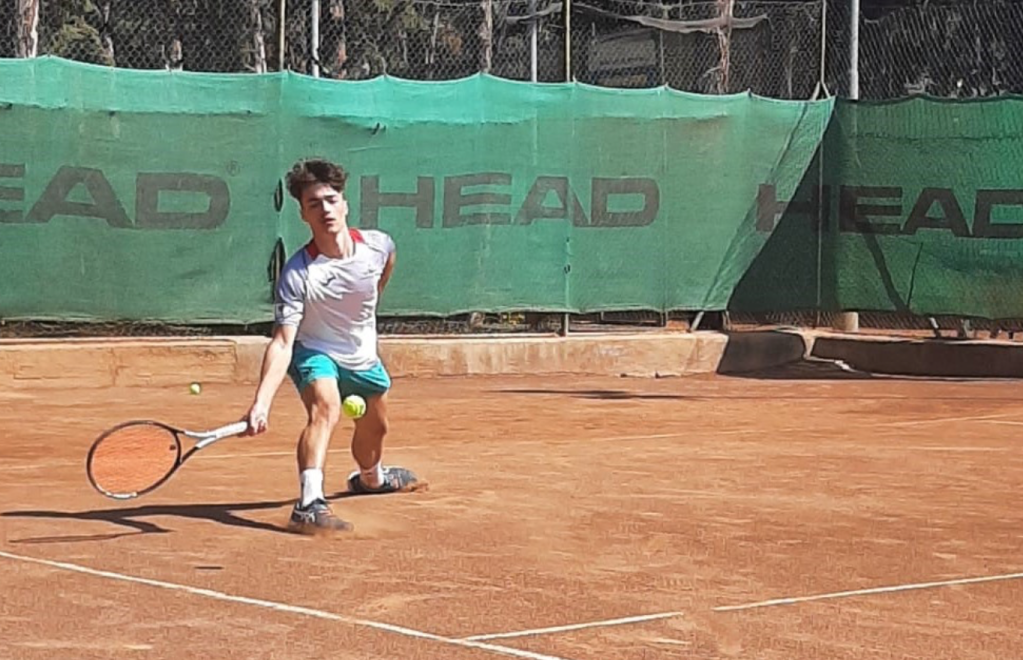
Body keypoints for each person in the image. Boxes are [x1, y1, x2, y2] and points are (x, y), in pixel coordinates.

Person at [243, 158, 421, 534]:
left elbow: (383, 270)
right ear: (303, 215)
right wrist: (261, 402)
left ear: (344, 204)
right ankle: (309, 502)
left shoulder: (378, 245)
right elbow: (282, 341)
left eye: (330, 199)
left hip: (362, 356)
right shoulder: (298, 274)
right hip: (314, 350)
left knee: (375, 429)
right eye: (313, 204)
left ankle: (371, 478)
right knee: (326, 407)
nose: (324, 209)